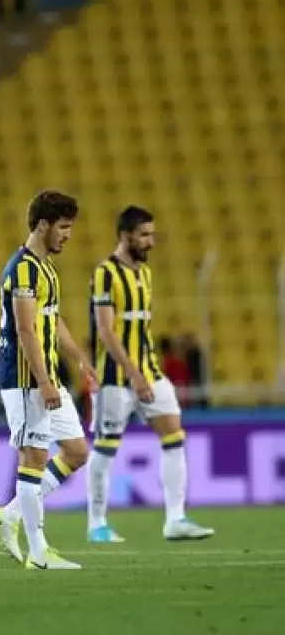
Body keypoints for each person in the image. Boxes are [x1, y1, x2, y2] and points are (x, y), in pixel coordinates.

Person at [86, 206, 214, 543]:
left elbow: (140, 330)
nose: (150, 241)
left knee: (174, 435)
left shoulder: (145, 274)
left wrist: (145, 372)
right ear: (125, 235)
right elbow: (106, 331)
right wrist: (133, 374)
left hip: (150, 372)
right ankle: (96, 524)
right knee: (105, 448)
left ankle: (175, 519)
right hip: (115, 378)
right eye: (144, 235)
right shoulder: (105, 273)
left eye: (152, 234)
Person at [0, 190, 97, 570]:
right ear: (43, 225)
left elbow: (52, 319)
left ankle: (10, 515)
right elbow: (25, 329)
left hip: (45, 376)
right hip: (25, 379)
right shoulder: (23, 270)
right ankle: (39, 552)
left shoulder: (46, 268)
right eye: (63, 227)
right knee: (34, 457)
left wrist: (78, 357)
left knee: (77, 451)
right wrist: (45, 382)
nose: (68, 235)